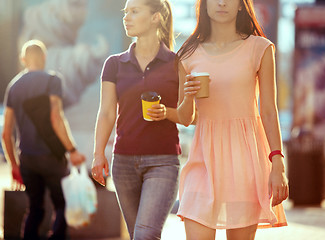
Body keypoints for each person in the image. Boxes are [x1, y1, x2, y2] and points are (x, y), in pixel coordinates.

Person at [176, 0, 289, 239]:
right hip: (203, 160)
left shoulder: (260, 48)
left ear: (240, 5)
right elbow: (187, 118)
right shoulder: (187, 54)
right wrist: (188, 97)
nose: (222, 2)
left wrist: (277, 164)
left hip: (245, 159)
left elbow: (268, 110)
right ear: (204, 5)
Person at [91, 0, 181, 239]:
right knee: (137, 235)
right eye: (125, 12)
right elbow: (107, 112)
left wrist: (167, 112)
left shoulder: (177, 63)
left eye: (134, 11)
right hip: (123, 163)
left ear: (155, 17)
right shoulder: (114, 64)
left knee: (144, 235)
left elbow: (189, 115)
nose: (126, 17)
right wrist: (98, 153)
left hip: (163, 162)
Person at [1, 39, 86, 240]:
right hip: (52, 157)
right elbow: (56, 118)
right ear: (44, 58)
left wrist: (14, 165)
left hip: (27, 159)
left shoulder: (14, 86)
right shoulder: (52, 80)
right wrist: (72, 150)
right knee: (63, 205)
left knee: (35, 209)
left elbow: (6, 133)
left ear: (23, 59)